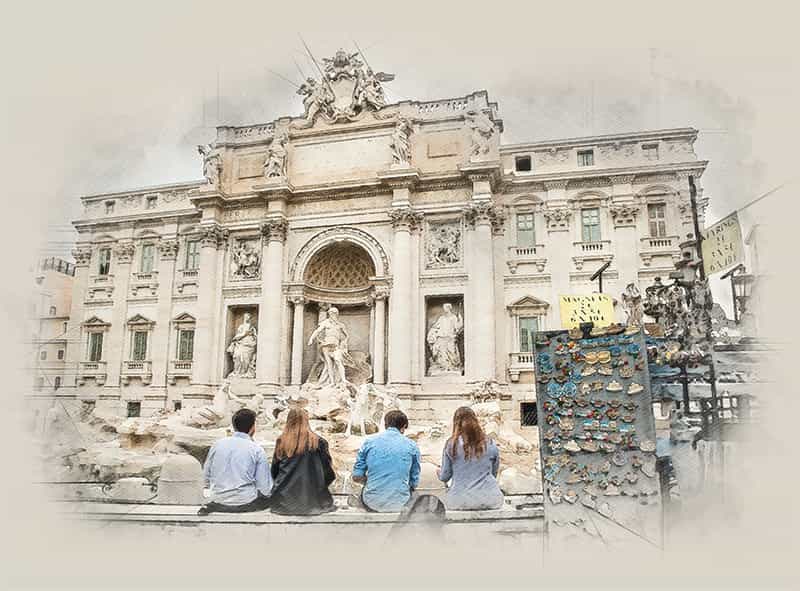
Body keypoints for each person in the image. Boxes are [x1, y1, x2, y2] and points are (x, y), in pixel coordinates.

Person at [198, 408, 272, 515]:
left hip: (218, 500)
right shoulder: (257, 449)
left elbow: (206, 477)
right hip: (245, 502)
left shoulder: (217, 445)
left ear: (234, 426)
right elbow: (265, 488)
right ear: (252, 428)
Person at [268, 408, 336, 515]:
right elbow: (328, 474)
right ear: (307, 421)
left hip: (283, 502)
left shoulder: (281, 441)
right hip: (312, 502)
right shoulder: (319, 442)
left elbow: (274, 472)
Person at [351, 410, 421, 512]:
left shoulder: (369, 443)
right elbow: (414, 483)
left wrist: (371, 481)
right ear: (403, 427)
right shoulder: (412, 446)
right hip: (400, 503)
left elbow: (356, 476)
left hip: (371, 502)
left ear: (385, 424)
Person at [437, 407, 503, 510]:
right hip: (490, 499)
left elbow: (445, 476)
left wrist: (439, 472)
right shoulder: (490, 444)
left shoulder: (451, 444)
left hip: (459, 501)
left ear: (456, 423)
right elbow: (493, 473)